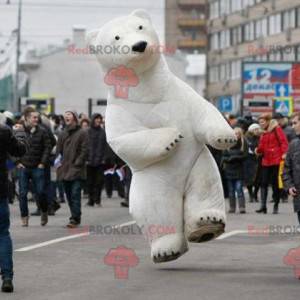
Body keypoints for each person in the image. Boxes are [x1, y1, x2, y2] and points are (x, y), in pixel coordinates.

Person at [0, 118, 27, 293]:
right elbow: (20, 150)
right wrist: (20, 134)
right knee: (2, 233)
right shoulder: (3, 130)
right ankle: (7, 276)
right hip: (0, 189)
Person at [16, 110, 52, 226]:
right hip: (24, 167)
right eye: (34, 117)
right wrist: (17, 162)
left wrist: (43, 162)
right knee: (22, 193)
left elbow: (48, 147)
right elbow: (12, 148)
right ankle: (24, 216)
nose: (36, 119)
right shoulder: (19, 132)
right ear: (26, 118)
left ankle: (44, 211)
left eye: (37, 117)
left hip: (38, 167)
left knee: (40, 192)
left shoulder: (43, 131)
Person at [56, 111, 88, 228]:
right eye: (65, 115)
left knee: (75, 193)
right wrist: (57, 162)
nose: (66, 117)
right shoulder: (62, 133)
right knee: (69, 195)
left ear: (74, 117)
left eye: (69, 114)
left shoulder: (82, 133)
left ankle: (74, 218)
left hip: (77, 169)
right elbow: (59, 151)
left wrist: (78, 162)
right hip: (64, 169)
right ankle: (75, 215)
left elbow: (85, 150)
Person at [255, 113, 288, 214]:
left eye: (263, 122)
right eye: (259, 122)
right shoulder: (263, 133)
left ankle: (276, 205)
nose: (261, 124)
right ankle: (263, 206)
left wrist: (284, 153)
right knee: (263, 183)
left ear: (268, 121)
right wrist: (258, 150)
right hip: (266, 161)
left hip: (276, 160)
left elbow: (283, 142)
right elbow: (262, 146)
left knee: (275, 184)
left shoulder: (276, 129)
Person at [222, 127, 248, 214]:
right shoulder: (228, 143)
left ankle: (242, 207)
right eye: (235, 134)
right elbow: (224, 156)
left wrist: (235, 157)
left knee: (239, 189)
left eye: (238, 134)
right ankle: (232, 207)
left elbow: (245, 155)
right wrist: (228, 159)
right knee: (231, 190)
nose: (236, 135)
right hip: (229, 170)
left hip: (239, 170)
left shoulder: (243, 143)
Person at [283, 112, 300, 225]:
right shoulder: (293, 144)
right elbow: (286, 169)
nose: (292, 126)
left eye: (295, 123)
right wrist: (289, 187)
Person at [86, 113, 106, 207]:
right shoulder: (87, 131)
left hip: (100, 161)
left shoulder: (103, 132)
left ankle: (97, 200)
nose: (98, 120)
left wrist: (104, 159)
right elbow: (85, 146)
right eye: (96, 119)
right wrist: (86, 158)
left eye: (99, 119)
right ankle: (91, 200)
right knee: (90, 182)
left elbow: (105, 147)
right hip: (89, 161)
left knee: (99, 182)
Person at [244, 123, 261, 202]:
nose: (257, 131)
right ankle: (251, 195)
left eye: (258, 129)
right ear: (251, 130)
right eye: (255, 129)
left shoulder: (260, 137)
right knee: (249, 179)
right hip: (248, 160)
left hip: (258, 160)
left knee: (258, 179)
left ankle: (255, 194)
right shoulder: (246, 138)